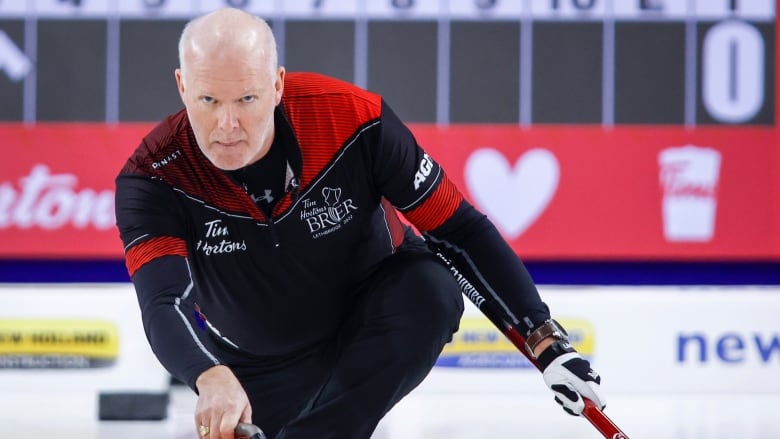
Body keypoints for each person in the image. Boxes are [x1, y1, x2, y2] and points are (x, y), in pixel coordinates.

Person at [115, 7, 606, 439]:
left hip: (371, 325)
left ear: (277, 85)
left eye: (246, 99)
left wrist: (544, 340)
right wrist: (209, 375)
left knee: (432, 290)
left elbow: (457, 232)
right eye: (208, 102)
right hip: (254, 367)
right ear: (182, 86)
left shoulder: (353, 120)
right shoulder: (153, 176)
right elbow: (163, 302)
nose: (227, 125)